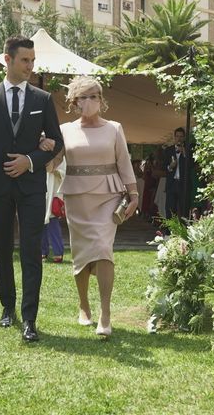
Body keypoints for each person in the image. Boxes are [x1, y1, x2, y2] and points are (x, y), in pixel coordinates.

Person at [0, 35, 63, 342]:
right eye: (25, 60)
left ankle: (30, 319)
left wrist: (31, 160)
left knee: (32, 251)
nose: (30, 66)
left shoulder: (42, 99)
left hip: (32, 186)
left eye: (33, 61)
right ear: (7, 60)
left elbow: (57, 142)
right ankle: (7, 308)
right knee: (2, 249)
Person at [55, 76, 138, 337]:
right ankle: (83, 306)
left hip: (108, 197)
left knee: (103, 249)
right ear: (73, 102)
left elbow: (124, 162)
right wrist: (43, 149)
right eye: (83, 97)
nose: (89, 102)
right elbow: (53, 162)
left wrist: (133, 194)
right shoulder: (64, 130)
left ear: (102, 100)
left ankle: (105, 313)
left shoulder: (114, 128)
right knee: (81, 255)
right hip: (77, 198)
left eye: (94, 96)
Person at [42, 158, 65, 263]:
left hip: (53, 194)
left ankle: (58, 253)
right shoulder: (40, 154)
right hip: (41, 193)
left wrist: (53, 170)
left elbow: (65, 174)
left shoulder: (59, 157)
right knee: (41, 225)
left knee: (53, 224)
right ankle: (43, 252)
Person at [162, 127, 189, 219]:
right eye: (177, 136)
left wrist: (184, 153)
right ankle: (169, 231)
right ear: (174, 137)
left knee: (183, 208)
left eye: (181, 136)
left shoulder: (188, 150)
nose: (179, 138)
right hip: (172, 183)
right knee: (170, 208)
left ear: (184, 138)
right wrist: (170, 166)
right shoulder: (168, 150)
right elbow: (163, 167)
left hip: (183, 184)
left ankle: (183, 230)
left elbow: (191, 165)